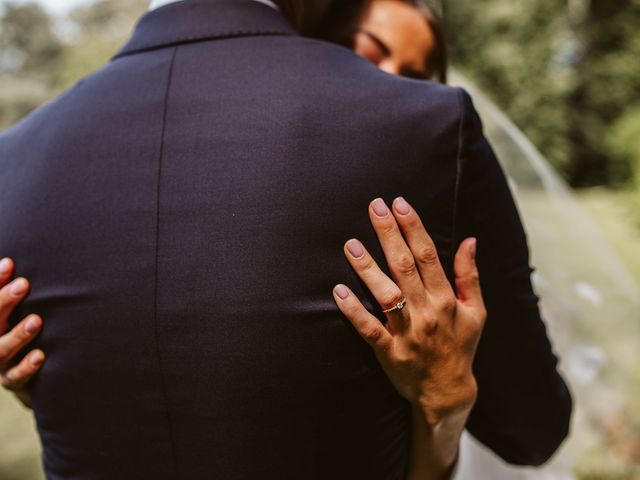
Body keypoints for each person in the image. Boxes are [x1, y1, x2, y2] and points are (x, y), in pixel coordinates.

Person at [0, 0, 571, 478]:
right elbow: (533, 428)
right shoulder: (429, 127)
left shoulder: (14, 158)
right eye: (369, 50)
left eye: (417, 72)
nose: (388, 79)